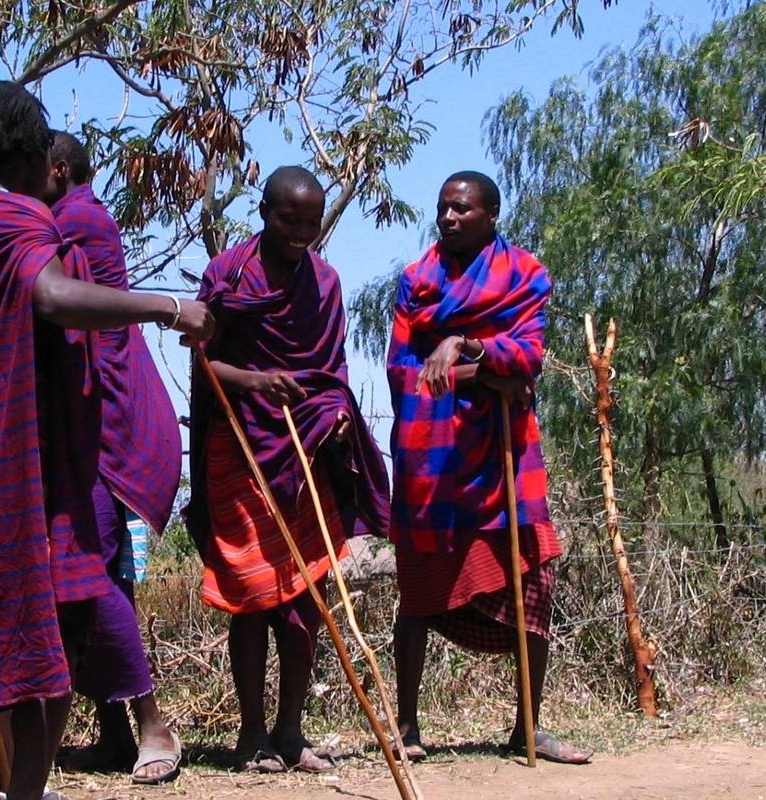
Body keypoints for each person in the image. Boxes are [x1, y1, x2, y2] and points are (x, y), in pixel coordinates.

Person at [0, 80, 213, 800]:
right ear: (21, 154)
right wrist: (168, 307)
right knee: (51, 646)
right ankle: (26, 794)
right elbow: (53, 297)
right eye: (41, 149)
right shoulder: (10, 221)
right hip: (19, 477)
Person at [185, 165, 390, 774]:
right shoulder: (230, 276)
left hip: (308, 454)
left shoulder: (325, 284)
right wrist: (255, 380)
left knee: (307, 596)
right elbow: (205, 369)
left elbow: (332, 375)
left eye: (312, 221)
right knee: (249, 596)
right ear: (264, 212)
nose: (302, 231)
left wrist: (338, 416)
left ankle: (292, 732)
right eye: (289, 219)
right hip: (240, 451)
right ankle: (251, 735)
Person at [385, 170, 590, 765]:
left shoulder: (524, 275)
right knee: (419, 595)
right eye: (443, 208)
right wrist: (487, 374)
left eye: (462, 209)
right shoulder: (416, 281)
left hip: (506, 464)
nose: (448, 218)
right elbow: (403, 371)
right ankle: (407, 726)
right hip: (432, 460)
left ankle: (527, 726)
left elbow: (529, 355)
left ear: (492, 214)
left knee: (533, 582)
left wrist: (464, 347)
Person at [37, 131, 183, 785]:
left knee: (90, 573)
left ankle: (153, 723)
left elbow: (62, 305)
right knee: (90, 572)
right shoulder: (66, 216)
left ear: (58, 169)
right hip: (78, 414)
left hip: (104, 415)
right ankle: (115, 730)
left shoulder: (76, 219)